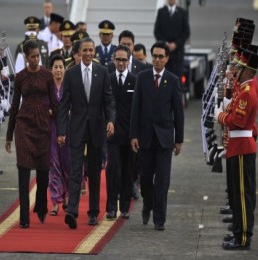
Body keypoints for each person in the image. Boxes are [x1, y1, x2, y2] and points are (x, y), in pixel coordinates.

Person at [57, 37, 115, 229]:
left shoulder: (102, 72)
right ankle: (72, 211)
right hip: (77, 129)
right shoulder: (71, 74)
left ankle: (93, 212)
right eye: (85, 50)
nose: (89, 53)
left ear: (94, 52)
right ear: (79, 53)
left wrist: (110, 121)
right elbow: (64, 105)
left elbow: (108, 101)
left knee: (94, 173)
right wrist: (61, 131)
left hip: (97, 130)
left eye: (91, 50)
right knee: (75, 170)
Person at [130, 41, 184, 231]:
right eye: (155, 56)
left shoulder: (173, 80)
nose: (157, 60)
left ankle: (159, 219)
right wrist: (133, 135)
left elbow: (178, 112)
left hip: (164, 139)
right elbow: (135, 108)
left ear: (167, 59)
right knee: (145, 179)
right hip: (145, 138)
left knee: (162, 180)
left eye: (161, 56)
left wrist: (179, 140)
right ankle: (147, 204)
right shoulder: (142, 78)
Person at [5, 40, 58, 228]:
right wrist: (9, 135)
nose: (36, 60)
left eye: (38, 56)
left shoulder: (47, 75)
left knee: (43, 174)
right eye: (33, 57)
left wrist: (60, 131)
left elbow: (55, 104)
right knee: (24, 171)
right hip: (24, 126)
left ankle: (41, 207)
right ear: (26, 58)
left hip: (43, 127)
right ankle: (24, 218)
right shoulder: (20, 77)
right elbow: (14, 105)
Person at [215, 49, 258, 250]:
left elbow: (237, 122)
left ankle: (242, 237)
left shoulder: (247, 93)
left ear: (248, 71)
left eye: (240, 68)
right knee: (238, 192)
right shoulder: (243, 89)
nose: (236, 71)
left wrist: (220, 116)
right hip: (238, 146)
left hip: (242, 147)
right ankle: (238, 232)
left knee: (242, 195)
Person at [106, 45, 136, 221]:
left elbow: (138, 109)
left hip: (130, 135)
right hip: (112, 134)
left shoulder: (135, 80)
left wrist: (136, 133)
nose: (121, 63)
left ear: (129, 60)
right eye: (118, 59)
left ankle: (124, 207)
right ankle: (111, 208)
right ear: (113, 60)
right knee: (112, 169)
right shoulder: (107, 79)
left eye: (124, 59)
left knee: (128, 171)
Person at [48, 54, 70, 216]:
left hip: (68, 130)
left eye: (61, 67)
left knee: (68, 164)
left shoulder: (69, 86)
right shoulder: (47, 87)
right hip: (52, 130)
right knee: (54, 166)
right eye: (55, 67)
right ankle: (55, 201)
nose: (58, 70)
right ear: (51, 69)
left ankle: (68, 198)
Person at [154, 0, 190, 80]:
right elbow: (157, 32)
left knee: (177, 80)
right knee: (163, 79)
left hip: (178, 54)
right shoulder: (161, 12)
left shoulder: (182, 13)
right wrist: (165, 43)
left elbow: (186, 32)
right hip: (163, 55)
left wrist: (176, 44)